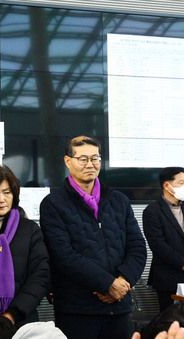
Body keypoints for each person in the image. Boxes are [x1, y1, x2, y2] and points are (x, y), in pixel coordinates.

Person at [39, 135, 147, 339]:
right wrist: (107, 284)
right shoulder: (53, 203)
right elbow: (63, 256)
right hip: (78, 309)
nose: (91, 164)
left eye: (95, 158)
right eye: (83, 159)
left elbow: (138, 247)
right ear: (67, 161)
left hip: (119, 306)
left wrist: (123, 282)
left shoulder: (119, 200)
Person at [0, 164, 50, 339]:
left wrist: (11, 315)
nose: (1, 199)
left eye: (7, 192)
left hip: (22, 323)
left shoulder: (29, 230)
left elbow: (40, 275)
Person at [143, 167, 184, 313]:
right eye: (181, 182)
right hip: (168, 277)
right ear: (167, 186)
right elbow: (158, 245)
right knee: (172, 321)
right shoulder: (152, 211)